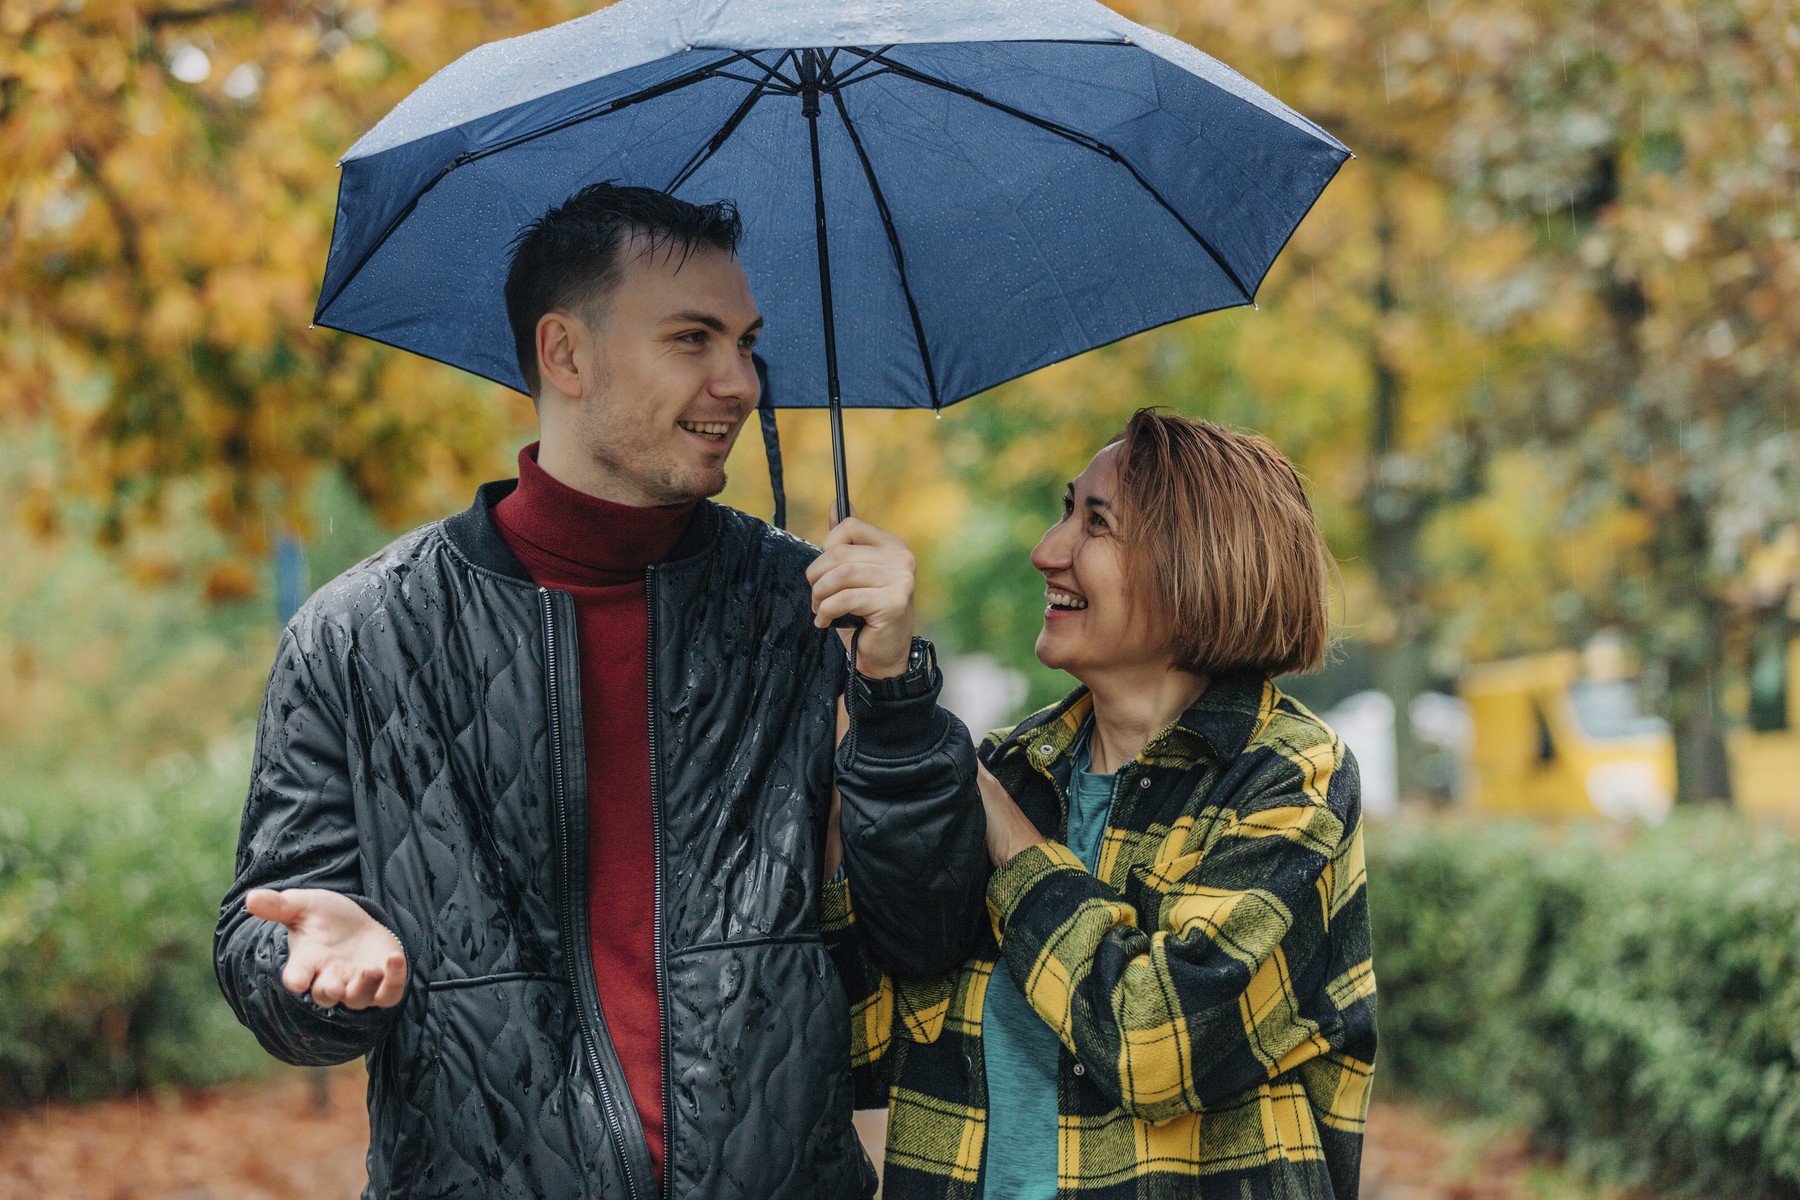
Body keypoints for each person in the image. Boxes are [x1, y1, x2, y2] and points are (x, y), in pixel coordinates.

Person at [214, 183, 988, 1200]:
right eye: (693, 339)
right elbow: (264, 948)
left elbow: (928, 937)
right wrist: (320, 967)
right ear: (565, 355)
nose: (742, 381)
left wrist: (891, 690)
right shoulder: (362, 635)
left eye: (747, 342)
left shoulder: (803, 610)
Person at [827, 409, 1377, 1198]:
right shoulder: (1011, 770)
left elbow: (1154, 1044)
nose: (1045, 550)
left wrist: (1005, 835)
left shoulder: (1287, 777)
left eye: (1095, 523)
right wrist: (856, 746)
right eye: (1062, 512)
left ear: (1197, 562)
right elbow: (862, 1044)